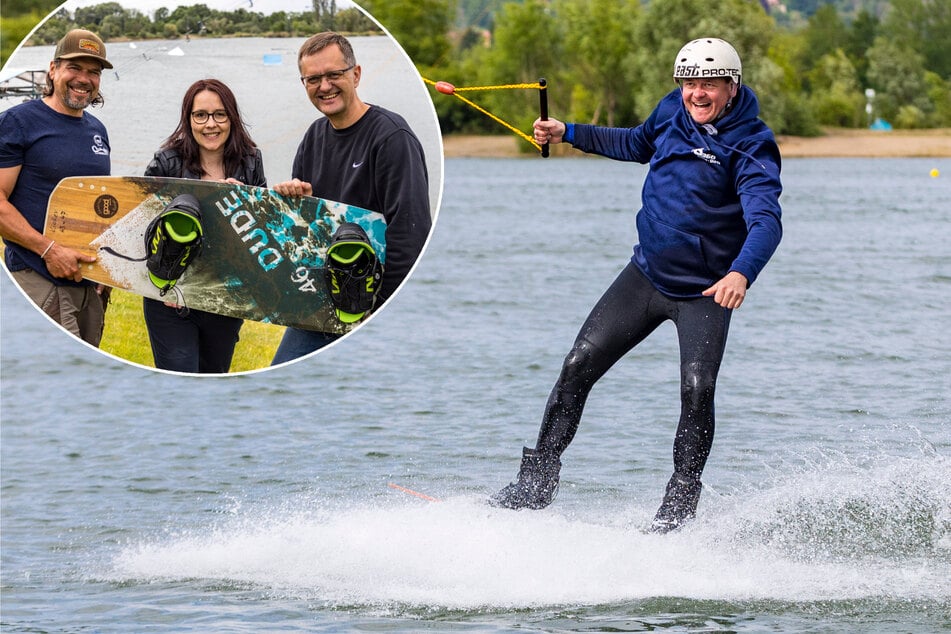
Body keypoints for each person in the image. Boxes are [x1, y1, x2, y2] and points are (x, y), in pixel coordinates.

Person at [490, 38, 783, 533]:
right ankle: (535, 482)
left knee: (697, 391)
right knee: (578, 364)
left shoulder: (751, 144)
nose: (697, 93)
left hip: (706, 293)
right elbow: (636, 143)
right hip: (645, 275)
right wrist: (569, 132)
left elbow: (767, 220)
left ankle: (678, 508)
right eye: (689, 82)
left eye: (709, 83)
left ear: (732, 87)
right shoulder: (672, 111)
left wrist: (741, 273)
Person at [270, 31, 431, 365]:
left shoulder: (391, 137)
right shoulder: (313, 137)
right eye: (313, 79)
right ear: (304, 84)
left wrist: (375, 317)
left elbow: (410, 235)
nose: (324, 86)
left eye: (334, 75)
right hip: (322, 301)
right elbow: (303, 234)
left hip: (374, 303)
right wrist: (296, 205)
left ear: (356, 74)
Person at [143, 78, 266, 373]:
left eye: (219, 114)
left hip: (224, 300)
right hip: (170, 300)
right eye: (200, 115)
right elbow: (144, 228)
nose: (210, 124)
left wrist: (245, 204)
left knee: (214, 380)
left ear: (231, 118)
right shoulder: (166, 161)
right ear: (188, 119)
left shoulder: (250, 160)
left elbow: (261, 233)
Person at [0, 29, 113, 346]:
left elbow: (101, 205)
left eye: (93, 72)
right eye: (75, 68)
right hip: (39, 279)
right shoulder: (18, 122)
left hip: (89, 286)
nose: (84, 79)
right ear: (53, 69)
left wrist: (105, 270)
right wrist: (49, 251)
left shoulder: (97, 130)